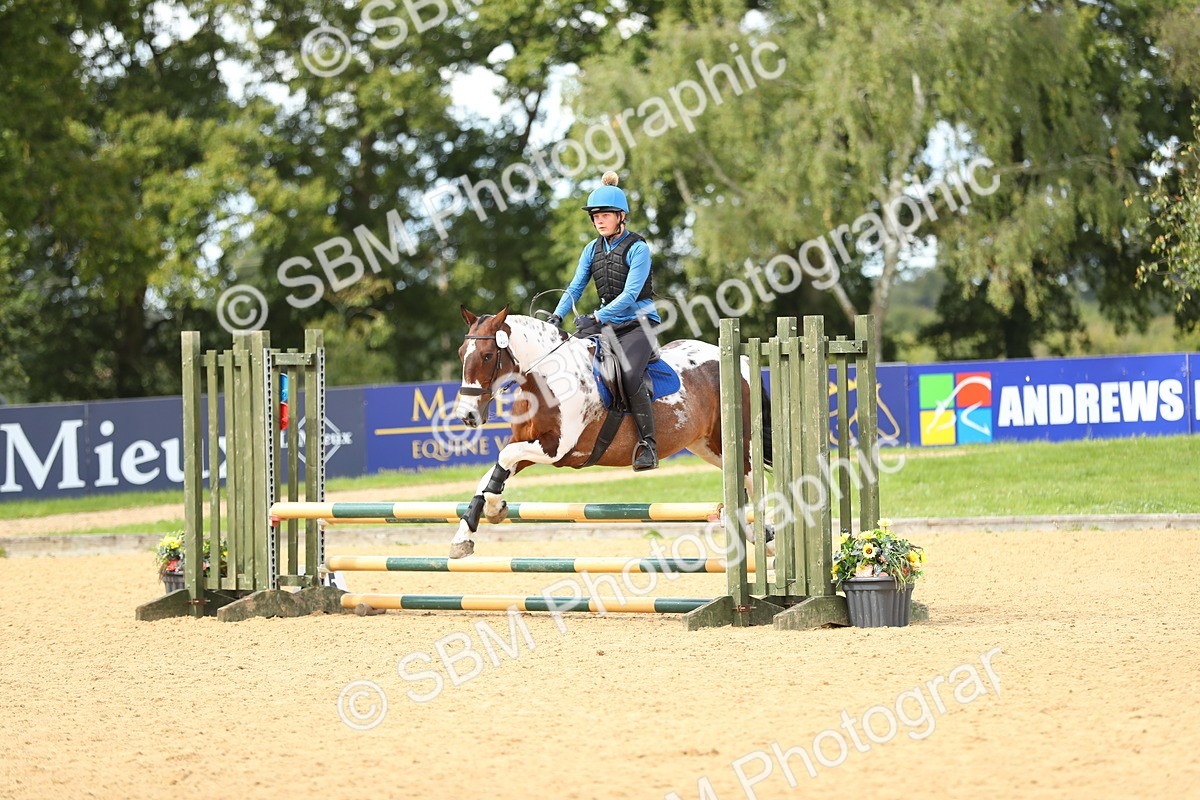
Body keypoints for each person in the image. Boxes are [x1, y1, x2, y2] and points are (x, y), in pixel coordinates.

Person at [548, 171, 661, 471]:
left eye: (605, 215)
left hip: (639, 323)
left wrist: (596, 316)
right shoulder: (591, 249)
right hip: (608, 325)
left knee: (627, 374)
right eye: (595, 215)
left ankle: (649, 445)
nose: (599, 220)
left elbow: (629, 295)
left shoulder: (638, 248)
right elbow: (574, 288)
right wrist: (557, 315)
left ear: (621, 216)